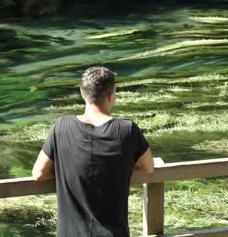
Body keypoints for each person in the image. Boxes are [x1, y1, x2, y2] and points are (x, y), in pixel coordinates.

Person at [32, 66, 154, 237]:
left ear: (82, 93)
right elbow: (148, 167)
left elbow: (39, 173)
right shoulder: (127, 130)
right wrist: (120, 168)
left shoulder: (62, 126)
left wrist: (67, 170)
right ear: (111, 96)